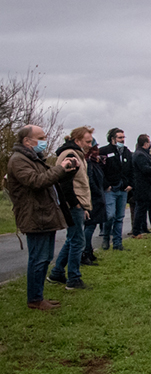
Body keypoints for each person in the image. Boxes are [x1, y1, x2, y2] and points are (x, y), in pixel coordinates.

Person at [6, 125, 77, 310]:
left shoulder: (33, 159)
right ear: (27, 141)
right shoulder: (18, 160)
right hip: (34, 215)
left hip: (45, 214)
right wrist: (59, 168)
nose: (45, 140)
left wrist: (68, 170)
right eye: (41, 137)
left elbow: (50, 179)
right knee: (38, 259)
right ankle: (35, 299)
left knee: (45, 258)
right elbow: (36, 182)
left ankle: (38, 296)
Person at [48, 126, 95, 290]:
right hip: (73, 205)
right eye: (87, 141)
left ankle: (57, 272)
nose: (90, 144)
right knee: (78, 241)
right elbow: (65, 183)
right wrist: (76, 203)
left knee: (72, 239)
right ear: (77, 141)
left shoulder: (77, 154)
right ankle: (73, 278)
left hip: (78, 204)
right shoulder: (71, 155)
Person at [98, 128, 133, 251]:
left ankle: (117, 243)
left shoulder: (127, 152)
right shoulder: (104, 151)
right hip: (110, 189)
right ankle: (106, 237)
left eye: (123, 137)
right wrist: (106, 185)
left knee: (120, 217)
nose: (122, 140)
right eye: (119, 137)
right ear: (112, 138)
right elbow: (100, 170)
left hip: (123, 189)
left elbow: (131, 170)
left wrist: (130, 184)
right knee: (110, 215)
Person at [82, 141, 107, 267]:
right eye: (94, 149)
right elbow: (90, 181)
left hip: (96, 197)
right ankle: (85, 252)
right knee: (90, 226)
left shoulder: (93, 163)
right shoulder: (88, 163)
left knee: (91, 226)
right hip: (93, 198)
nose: (96, 152)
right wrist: (98, 193)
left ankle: (89, 251)